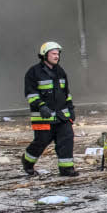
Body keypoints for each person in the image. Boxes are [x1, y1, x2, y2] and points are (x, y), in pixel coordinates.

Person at [22, 41, 77, 176]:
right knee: (42, 141)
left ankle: (66, 169)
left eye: (58, 54)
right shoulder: (33, 72)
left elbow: (66, 93)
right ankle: (27, 161)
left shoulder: (60, 71)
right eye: (53, 54)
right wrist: (41, 106)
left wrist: (70, 108)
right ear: (44, 55)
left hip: (61, 115)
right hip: (42, 116)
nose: (56, 56)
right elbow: (31, 94)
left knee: (66, 139)